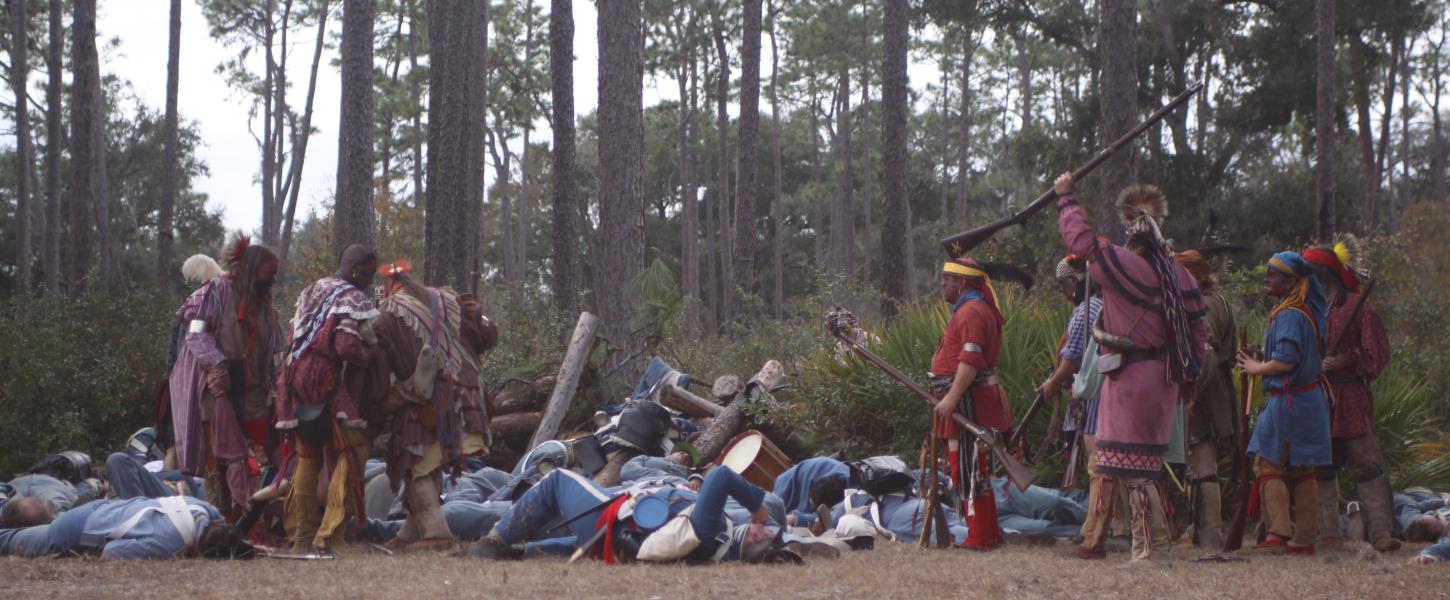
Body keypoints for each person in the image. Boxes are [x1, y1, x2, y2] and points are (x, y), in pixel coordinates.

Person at [1053, 172, 1208, 561]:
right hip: (1164, 381)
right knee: (1130, 464)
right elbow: (1198, 333)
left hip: (1130, 379)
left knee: (1133, 469)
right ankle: (1143, 544)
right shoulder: (1181, 275)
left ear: (1132, 236)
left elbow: (1082, 243)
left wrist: (1066, 198)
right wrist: (1189, 376)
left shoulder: (1126, 266)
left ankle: (1150, 548)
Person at [359, 261, 498, 550]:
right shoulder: (448, 299)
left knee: (414, 465)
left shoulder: (387, 315)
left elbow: (379, 376)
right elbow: (488, 336)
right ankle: (410, 532)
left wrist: (376, 404)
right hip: (471, 398)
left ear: (388, 286)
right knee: (428, 464)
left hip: (433, 406)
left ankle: (437, 533)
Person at [168, 232, 284, 513]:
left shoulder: (265, 308)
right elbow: (195, 334)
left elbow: (272, 353)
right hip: (216, 390)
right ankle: (221, 518)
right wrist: (216, 364)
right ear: (251, 270)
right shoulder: (216, 292)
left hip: (254, 393)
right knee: (217, 459)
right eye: (268, 274)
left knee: (266, 454)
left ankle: (258, 516)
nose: (272, 280)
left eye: (274, 275)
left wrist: (276, 384)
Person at [275, 244, 380, 553]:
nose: (370, 280)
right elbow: (346, 346)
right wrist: (369, 355)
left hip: (293, 376)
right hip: (323, 379)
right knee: (352, 449)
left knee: (307, 455)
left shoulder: (314, 288)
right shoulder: (351, 298)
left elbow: (294, 331)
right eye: (368, 273)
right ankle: (331, 536)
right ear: (355, 269)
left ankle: (302, 539)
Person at [461, 466, 778, 563]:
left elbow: (721, 475)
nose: (767, 529)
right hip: (616, 540)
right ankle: (519, 554)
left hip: (611, 523)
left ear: (752, 535)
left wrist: (756, 503)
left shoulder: (711, 528)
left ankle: (493, 542)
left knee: (557, 479)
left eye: (766, 532)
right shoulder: (722, 543)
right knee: (569, 544)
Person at [1302, 244, 1400, 553]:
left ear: (1325, 273)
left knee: (1367, 466)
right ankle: (1329, 534)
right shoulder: (1315, 309)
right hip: (1323, 398)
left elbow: (1377, 355)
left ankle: (1381, 533)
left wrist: (1345, 359)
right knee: (1323, 467)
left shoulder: (1360, 306)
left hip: (1352, 396)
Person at [1236, 251, 1333, 555]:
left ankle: (1278, 533)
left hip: (1290, 401)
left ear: (1291, 282)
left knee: (1268, 463)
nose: (1268, 278)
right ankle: (1303, 538)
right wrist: (1264, 361)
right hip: (1308, 401)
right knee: (1303, 467)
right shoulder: (1302, 310)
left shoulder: (1291, 314)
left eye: (1274, 274)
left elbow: (1287, 362)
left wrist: (1257, 368)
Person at [928, 257, 1013, 551]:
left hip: (968, 402)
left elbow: (971, 359)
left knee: (967, 467)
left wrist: (951, 397)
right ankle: (988, 531)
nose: (942, 285)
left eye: (947, 280)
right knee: (972, 468)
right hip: (966, 400)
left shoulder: (972, 311)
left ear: (961, 282)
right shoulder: (972, 309)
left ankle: (980, 535)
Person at [1173, 250, 1238, 551]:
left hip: (1205, 395)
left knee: (1204, 465)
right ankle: (1200, 532)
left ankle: (1210, 534)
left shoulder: (1207, 304)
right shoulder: (1215, 299)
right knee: (1199, 465)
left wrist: (1191, 393)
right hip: (1211, 392)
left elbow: (1206, 353)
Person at [0, 496, 254, 560]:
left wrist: (243, 544)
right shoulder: (166, 544)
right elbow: (110, 553)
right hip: (72, 529)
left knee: (30, 514)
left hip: (101, 508)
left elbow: (219, 519)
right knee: (10, 540)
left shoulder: (200, 508)